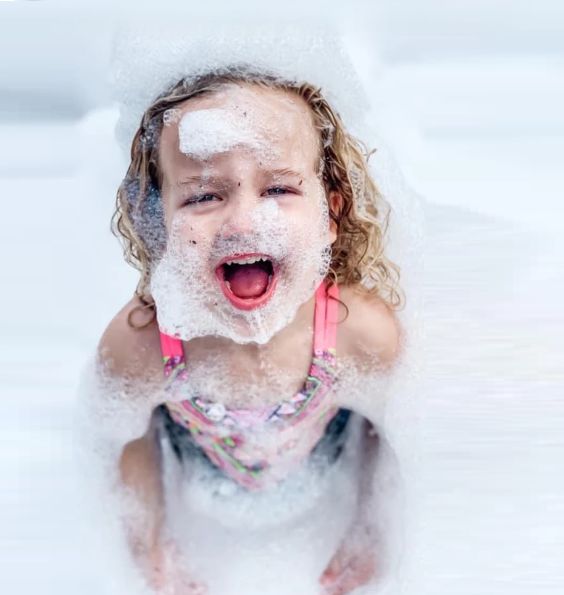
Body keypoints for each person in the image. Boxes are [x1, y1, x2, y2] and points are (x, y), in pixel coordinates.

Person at [97, 65, 403, 595]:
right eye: (202, 196)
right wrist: (149, 546)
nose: (244, 223)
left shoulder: (360, 334)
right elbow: (131, 440)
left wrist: (373, 526)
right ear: (157, 222)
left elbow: (386, 430)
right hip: (198, 469)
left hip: (321, 465)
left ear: (330, 214)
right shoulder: (140, 345)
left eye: (279, 188)